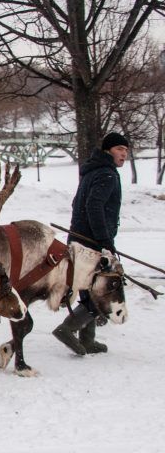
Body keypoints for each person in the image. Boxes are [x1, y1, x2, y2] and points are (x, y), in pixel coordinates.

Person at [52, 132, 128, 356]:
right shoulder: (107, 175)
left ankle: (88, 339)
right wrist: (104, 241)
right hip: (92, 242)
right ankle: (67, 329)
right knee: (102, 290)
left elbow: (78, 203)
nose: (123, 153)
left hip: (78, 238)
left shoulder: (92, 172)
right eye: (119, 149)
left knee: (88, 287)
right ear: (107, 151)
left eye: (126, 150)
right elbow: (94, 207)